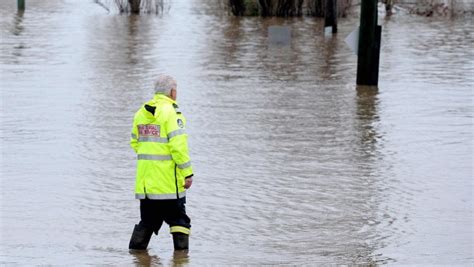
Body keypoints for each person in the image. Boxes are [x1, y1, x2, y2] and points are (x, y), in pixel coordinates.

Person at [128, 74, 194, 251]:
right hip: (168, 183)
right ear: (172, 92)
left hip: (146, 184)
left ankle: (135, 256)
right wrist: (187, 173)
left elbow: (135, 143)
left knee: (148, 221)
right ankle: (181, 260)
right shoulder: (172, 112)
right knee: (179, 222)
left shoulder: (141, 113)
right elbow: (178, 146)